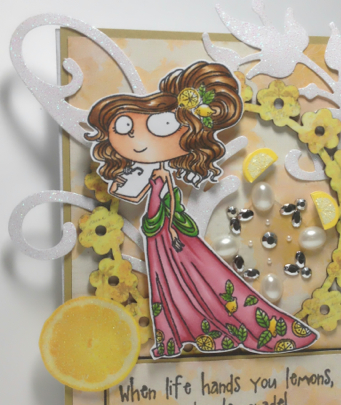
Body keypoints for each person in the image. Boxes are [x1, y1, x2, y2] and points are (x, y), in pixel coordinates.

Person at [85, 61, 318, 359]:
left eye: (163, 127)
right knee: (165, 281)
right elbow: (127, 192)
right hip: (157, 236)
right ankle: (175, 334)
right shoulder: (147, 172)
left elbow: (161, 199)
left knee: (195, 276)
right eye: (124, 127)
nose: (137, 139)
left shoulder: (163, 173)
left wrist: (171, 223)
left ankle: (199, 330)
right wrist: (126, 180)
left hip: (171, 234)